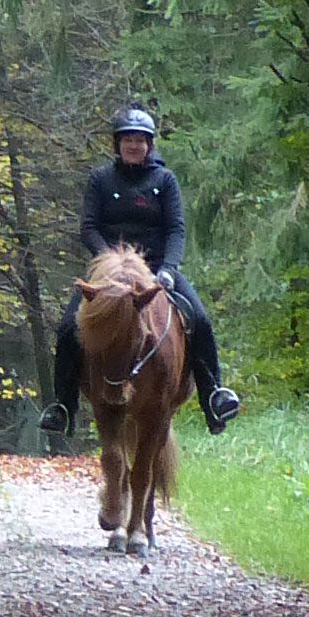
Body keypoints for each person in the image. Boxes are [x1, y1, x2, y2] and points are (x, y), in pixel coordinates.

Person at [42, 108, 240, 436]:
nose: (134, 146)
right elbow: (89, 227)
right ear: (117, 144)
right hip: (110, 273)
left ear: (149, 145)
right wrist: (112, 264)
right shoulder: (100, 179)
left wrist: (168, 270)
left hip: (157, 269)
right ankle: (63, 405)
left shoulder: (165, 181)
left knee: (200, 320)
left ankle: (213, 397)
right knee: (67, 328)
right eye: (128, 140)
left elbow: (176, 229)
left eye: (140, 140)